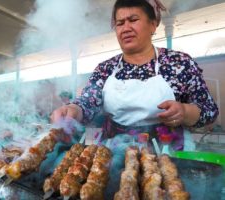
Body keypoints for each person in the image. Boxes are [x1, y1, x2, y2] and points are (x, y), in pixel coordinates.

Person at [51, 0, 219, 151]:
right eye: (120, 23)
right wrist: (72, 110)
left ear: (153, 25)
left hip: (168, 155)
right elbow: (87, 103)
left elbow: (209, 111)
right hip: (113, 157)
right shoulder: (106, 68)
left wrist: (184, 111)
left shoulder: (179, 63)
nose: (126, 28)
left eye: (133, 20)